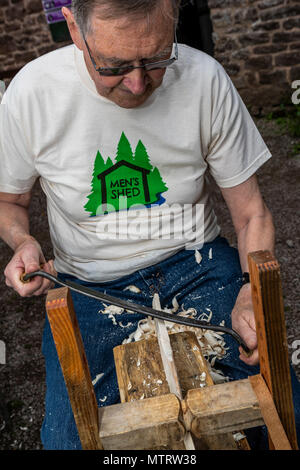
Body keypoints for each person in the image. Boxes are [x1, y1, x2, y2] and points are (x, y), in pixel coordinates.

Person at [0, 0, 298, 450]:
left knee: (282, 407)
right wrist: (22, 241)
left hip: (199, 264)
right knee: (68, 439)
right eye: (114, 65)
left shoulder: (205, 78)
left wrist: (249, 292)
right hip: (89, 285)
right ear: (75, 31)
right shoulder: (32, 92)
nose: (138, 83)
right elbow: (10, 201)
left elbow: (252, 213)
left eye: (157, 58)